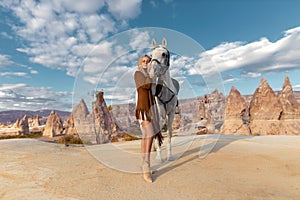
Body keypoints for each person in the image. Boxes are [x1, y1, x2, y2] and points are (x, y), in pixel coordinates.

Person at [134, 54, 163, 183]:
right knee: (150, 134)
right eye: (143, 61)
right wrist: (151, 75)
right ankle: (147, 166)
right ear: (140, 63)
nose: (145, 63)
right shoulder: (138, 74)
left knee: (146, 135)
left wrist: (159, 79)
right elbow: (145, 86)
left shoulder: (150, 76)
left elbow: (155, 91)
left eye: (148, 61)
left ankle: (143, 163)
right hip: (143, 109)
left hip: (151, 109)